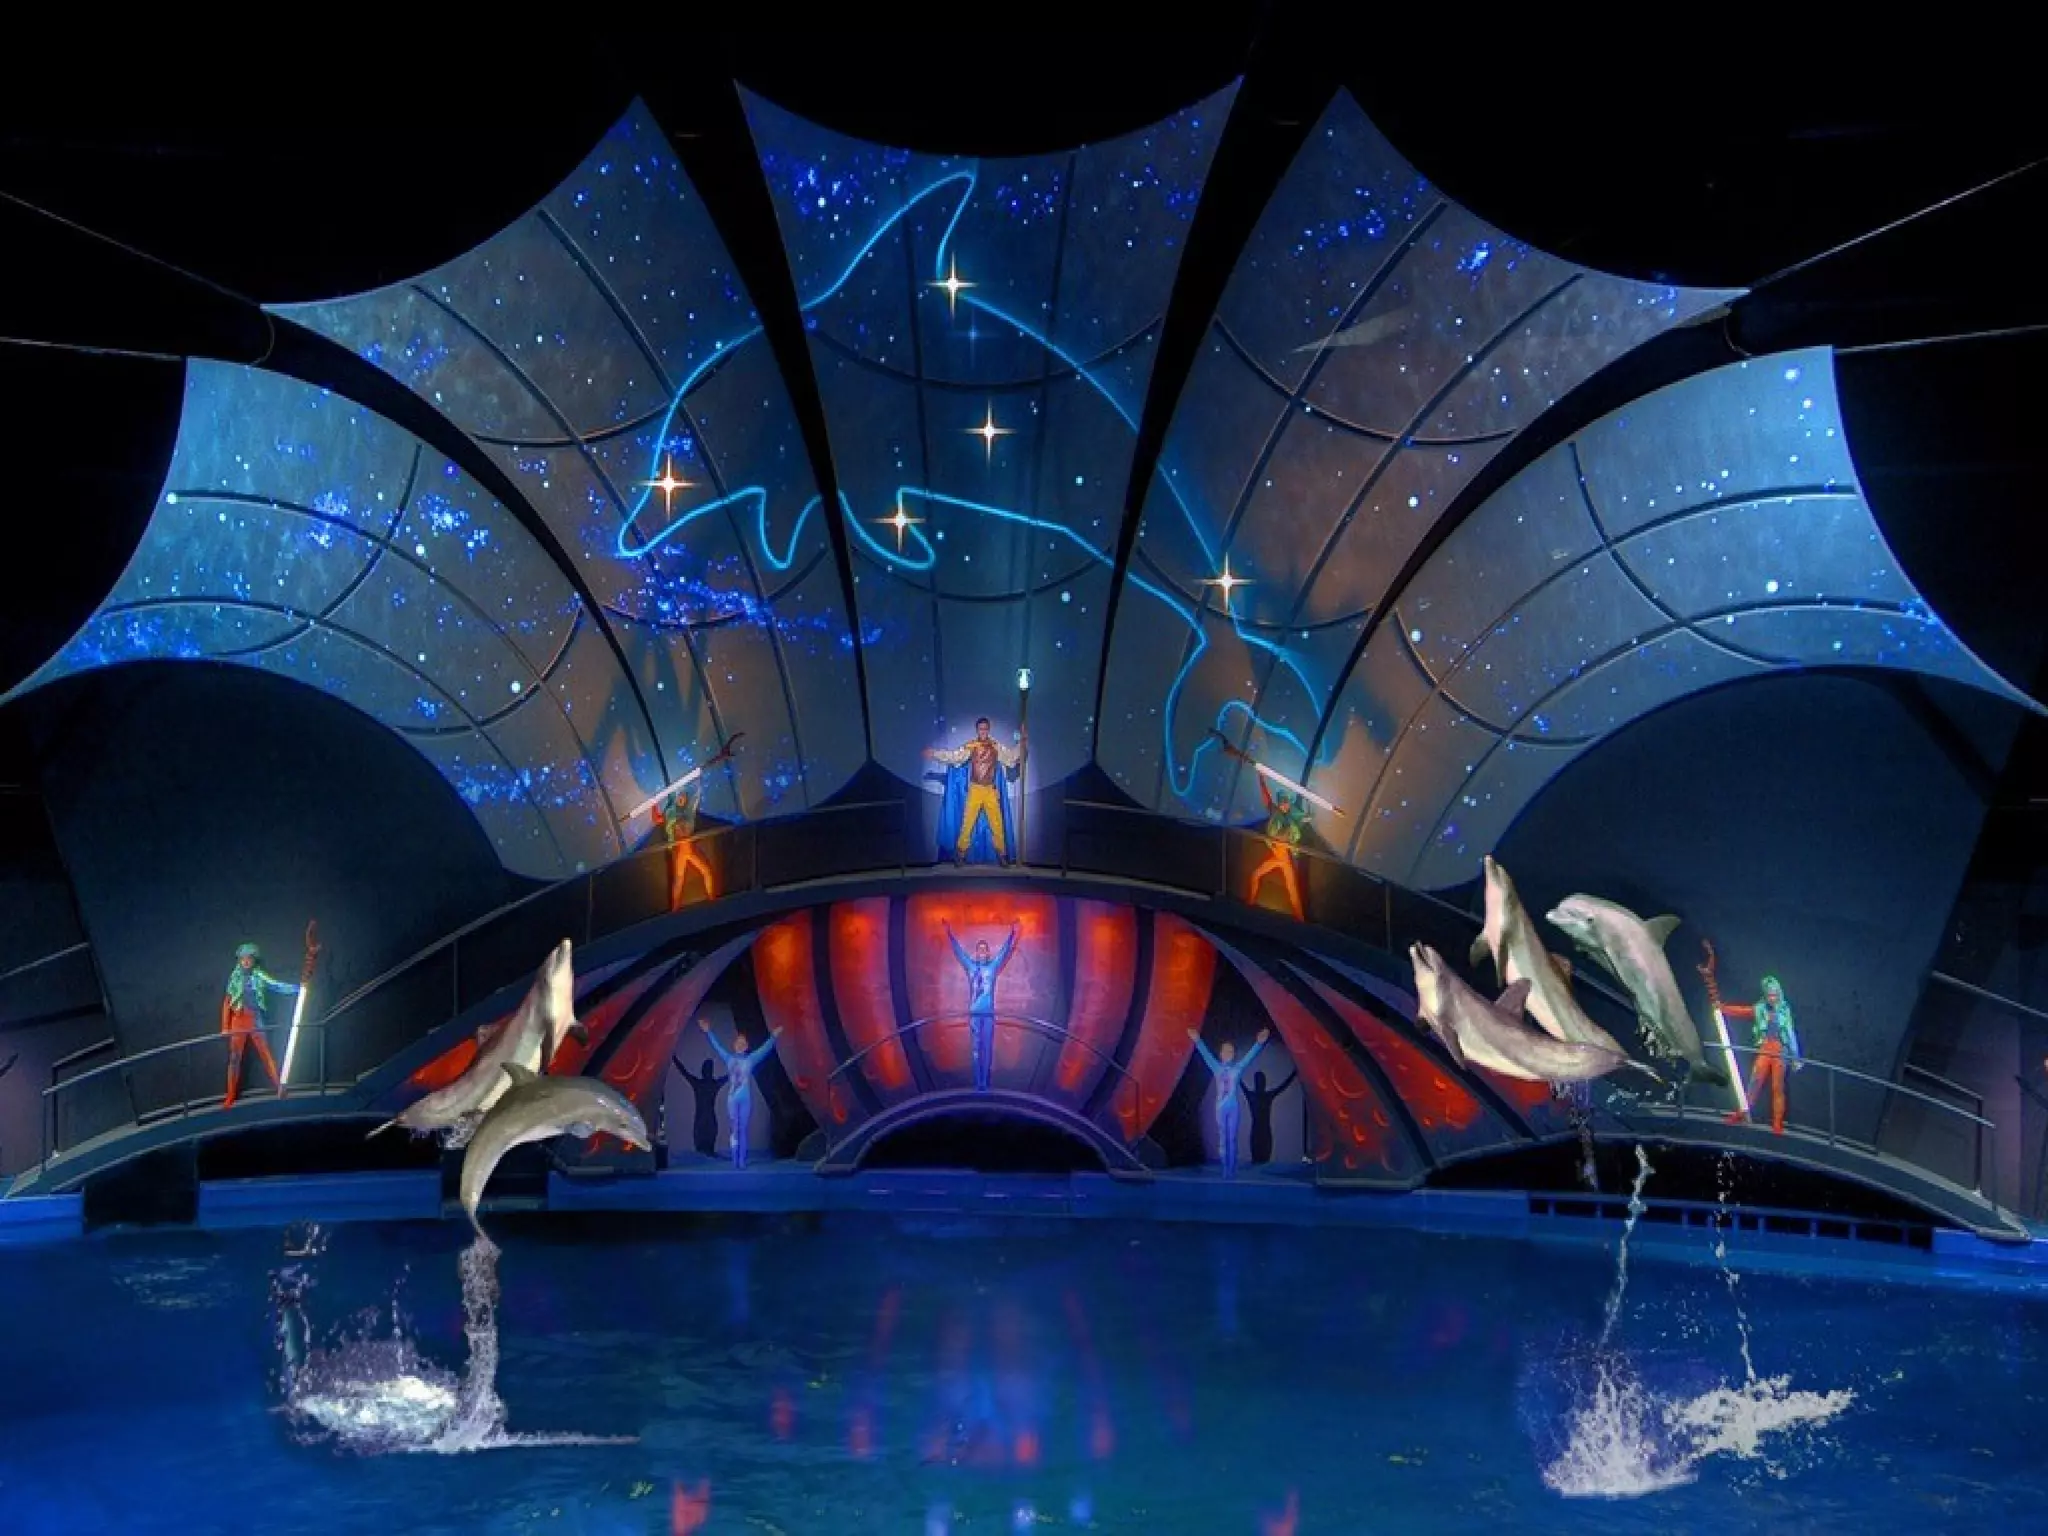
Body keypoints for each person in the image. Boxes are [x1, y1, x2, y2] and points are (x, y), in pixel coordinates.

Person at [926, 718, 1027, 866]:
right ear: (977, 730)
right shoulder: (972, 745)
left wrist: (1022, 742)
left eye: (985, 729)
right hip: (975, 789)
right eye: (981, 729)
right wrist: (935, 754)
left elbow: (1011, 758)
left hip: (990, 790)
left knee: (997, 823)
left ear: (988, 729)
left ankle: (1002, 855)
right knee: (967, 823)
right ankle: (961, 854)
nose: (983, 731)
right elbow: (954, 756)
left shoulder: (995, 746)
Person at [1721, 974, 1802, 1134]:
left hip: (1780, 1051)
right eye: (1770, 995)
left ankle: (1777, 1122)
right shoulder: (1760, 1009)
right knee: (1755, 1081)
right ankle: (1742, 1112)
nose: (1772, 998)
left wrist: (1795, 1058)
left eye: (1775, 995)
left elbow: (1790, 1034)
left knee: (1777, 1087)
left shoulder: (1784, 1011)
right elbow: (1743, 1011)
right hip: (1765, 1049)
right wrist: (1724, 1008)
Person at [945, 920, 1019, 1092]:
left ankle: (985, 1084)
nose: (982, 952)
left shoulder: (992, 967)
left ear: (988, 953)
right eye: (980, 950)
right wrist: (949, 933)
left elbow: (1004, 953)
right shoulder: (971, 966)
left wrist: (1012, 934)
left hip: (988, 1015)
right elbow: (959, 952)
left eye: (985, 950)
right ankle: (978, 1084)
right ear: (977, 953)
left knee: (987, 1049)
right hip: (974, 1014)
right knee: (976, 1049)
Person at [222, 942, 298, 1108]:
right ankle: (230, 1095)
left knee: (265, 1053)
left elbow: (276, 985)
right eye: (243, 958)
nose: (246, 961)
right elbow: (227, 1002)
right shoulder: (234, 977)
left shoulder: (259, 976)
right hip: (238, 1020)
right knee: (234, 1058)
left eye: (249, 958)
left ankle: (279, 1087)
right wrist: (225, 1026)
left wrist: (296, 989)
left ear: (253, 960)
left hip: (255, 1018)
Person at [1187, 1028, 1271, 1178]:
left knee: (1232, 1138)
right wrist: (1197, 1040)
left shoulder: (1237, 1069)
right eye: (1226, 1051)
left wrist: (1259, 1044)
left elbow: (1249, 1057)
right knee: (1223, 1138)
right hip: (1220, 1108)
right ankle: (1225, 1169)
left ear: (1234, 1054)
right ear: (1221, 1054)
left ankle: (1231, 1169)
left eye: (1231, 1051)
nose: (1228, 1054)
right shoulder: (1216, 1067)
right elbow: (1205, 1054)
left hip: (1233, 1108)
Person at [699, 1018, 781, 1169]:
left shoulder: (750, 1060)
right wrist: (708, 1031)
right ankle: (734, 1157)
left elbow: (764, 1050)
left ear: (746, 1047)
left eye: (743, 1043)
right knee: (734, 1128)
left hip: (745, 1100)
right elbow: (717, 1046)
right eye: (738, 1043)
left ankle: (742, 1159)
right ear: (734, 1045)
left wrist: (773, 1037)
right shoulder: (729, 1059)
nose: (740, 1045)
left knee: (743, 1129)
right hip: (732, 1099)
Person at [1247, 780, 1311, 919]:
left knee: (1292, 889)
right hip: (1276, 854)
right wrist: (1261, 779)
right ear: (1280, 802)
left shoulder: (1289, 822)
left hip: (1283, 857)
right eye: (1283, 802)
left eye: (1287, 803)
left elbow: (1292, 831)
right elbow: (1267, 798)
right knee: (1255, 875)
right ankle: (1249, 905)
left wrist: (1304, 815)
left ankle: (1300, 920)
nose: (1285, 805)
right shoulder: (1275, 812)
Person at [652, 779, 715, 910]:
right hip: (681, 849)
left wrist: (698, 782)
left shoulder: (687, 812)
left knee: (705, 872)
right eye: (680, 796)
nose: (682, 799)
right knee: (680, 880)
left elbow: (694, 799)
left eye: (684, 797)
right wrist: (654, 803)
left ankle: (712, 899)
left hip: (688, 848)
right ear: (677, 799)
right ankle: (675, 909)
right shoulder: (672, 813)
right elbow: (657, 819)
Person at [672, 1052, 728, 1157]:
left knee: (705, 1153)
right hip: (705, 1121)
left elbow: (684, 1072)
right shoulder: (705, 1084)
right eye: (707, 1069)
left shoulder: (704, 1084)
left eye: (709, 1069)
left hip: (705, 1121)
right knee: (704, 1153)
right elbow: (683, 1071)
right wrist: (673, 1058)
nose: (707, 1072)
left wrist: (673, 1057)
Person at [1239, 1066, 1297, 1165]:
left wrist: (1295, 1072)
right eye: (1259, 1081)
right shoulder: (1254, 1096)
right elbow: (1239, 1082)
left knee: (1264, 1161)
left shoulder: (1265, 1096)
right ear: (1256, 1082)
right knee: (1257, 1161)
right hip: (1258, 1133)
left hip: (1264, 1133)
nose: (1261, 1083)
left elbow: (1283, 1086)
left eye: (1262, 1081)